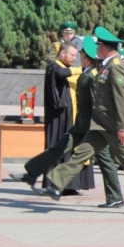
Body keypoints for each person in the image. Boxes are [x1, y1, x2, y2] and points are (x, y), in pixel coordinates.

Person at [31, 26, 124, 214]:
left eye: (99, 46)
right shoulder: (106, 65)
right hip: (100, 125)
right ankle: (55, 184)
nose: (96, 49)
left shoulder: (116, 66)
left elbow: (122, 100)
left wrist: (123, 127)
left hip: (114, 127)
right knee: (80, 154)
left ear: (105, 48)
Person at [12, 36, 124, 208]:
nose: (77, 59)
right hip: (82, 125)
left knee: (105, 159)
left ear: (86, 58)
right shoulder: (86, 73)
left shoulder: (94, 74)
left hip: (95, 127)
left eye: (80, 56)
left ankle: (115, 197)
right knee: (59, 147)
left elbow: (100, 102)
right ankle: (32, 174)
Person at [42, 40, 94, 195]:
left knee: (71, 148)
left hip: (73, 116)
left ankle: (70, 185)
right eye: (71, 55)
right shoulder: (53, 67)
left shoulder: (70, 68)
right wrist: (81, 69)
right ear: (62, 53)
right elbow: (60, 74)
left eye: (75, 55)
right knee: (57, 146)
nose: (74, 58)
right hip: (58, 117)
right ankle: (52, 184)